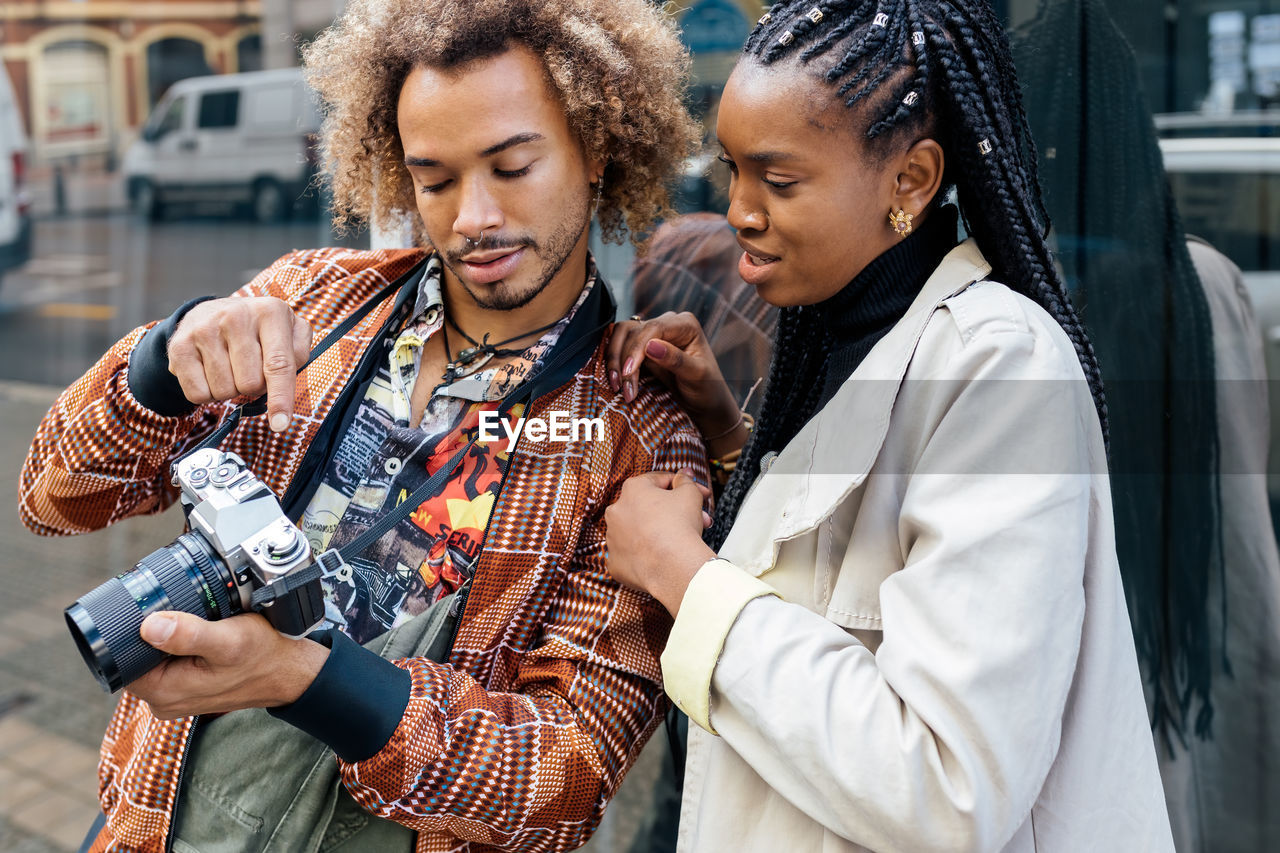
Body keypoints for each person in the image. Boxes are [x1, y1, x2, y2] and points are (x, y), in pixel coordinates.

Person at [18, 1, 708, 851]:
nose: (472, 218)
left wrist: (304, 680)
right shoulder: (310, 302)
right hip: (152, 824)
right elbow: (53, 500)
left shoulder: (639, 437)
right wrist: (159, 365)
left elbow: (570, 776)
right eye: (436, 178)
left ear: (597, 149)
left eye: (513, 165)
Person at [603, 1, 1173, 850]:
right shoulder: (840, 333)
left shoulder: (1001, 367)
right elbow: (837, 575)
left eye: (779, 180)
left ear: (909, 180)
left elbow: (950, 787)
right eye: (732, 172)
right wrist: (727, 433)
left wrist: (682, 572)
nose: (739, 212)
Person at [1015, 2, 1280, 847]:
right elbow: (1243, 502)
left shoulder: (1017, 302)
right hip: (1204, 650)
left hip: (1077, 686)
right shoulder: (1208, 284)